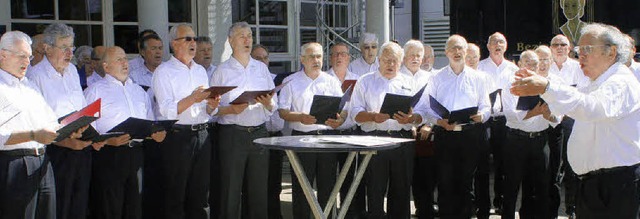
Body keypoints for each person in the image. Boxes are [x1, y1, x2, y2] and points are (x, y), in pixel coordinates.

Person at [511, 23, 640, 218]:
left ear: (611, 52)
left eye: (588, 49)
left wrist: (546, 87)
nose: (581, 55)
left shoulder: (620, 81)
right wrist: (542, 85)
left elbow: (590, 107)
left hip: (616, 185)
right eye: (580, 50)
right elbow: (575, 101)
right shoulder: (594, 82)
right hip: (595, 186)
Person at [84, 46, 167, 219]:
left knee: (134, 205)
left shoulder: (138, 90)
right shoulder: (95, 91)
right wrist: (106, 141)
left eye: (125, 59)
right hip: (109, 154)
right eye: (119, 60)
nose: (125, 63)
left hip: (136, 152)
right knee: (110, 207)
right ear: (106, 67)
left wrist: (156, 132)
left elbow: (149, 121)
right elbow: (85, 127)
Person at [27, 23, 96, 219]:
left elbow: (81, 107)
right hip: (57, 148)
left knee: (80, 203)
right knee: (60, 206)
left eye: (71, 47)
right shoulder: (35, 76)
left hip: (81, 144)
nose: (69, 52)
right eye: (64, 47)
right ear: (47, 48)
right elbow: (37, 118)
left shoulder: (73, 71)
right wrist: (65, 140)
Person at [417, 35, 490, 218]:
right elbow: (427, 107)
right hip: (445, 136)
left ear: (466, 51)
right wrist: (438, 121)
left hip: (470, 135)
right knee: (445, 182)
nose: (457, 52)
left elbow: (486, 105)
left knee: (466, 184)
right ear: (446, 52)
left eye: (460, 48)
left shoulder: (479, 78)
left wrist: (482, 115)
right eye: (453, 48)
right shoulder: (436, 77)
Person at [152, 24, 219, 219]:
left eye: (194, 39)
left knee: (200, 194)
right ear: (174, 44)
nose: (193, 43)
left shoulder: (200, 71)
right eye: (187, 39)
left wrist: (212, 104)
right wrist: (193, 98)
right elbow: (165, 110)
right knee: (176, 194)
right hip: (178, 137)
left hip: (203, 133)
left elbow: (204, 110)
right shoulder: (163, 72)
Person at [210, 22, 276, 219]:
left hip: (259, 133)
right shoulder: (222, 71)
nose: (247, 40)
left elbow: (275, 104)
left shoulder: (261, 69)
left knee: (258, 191)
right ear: (230, 41)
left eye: (249, 35)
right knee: (230, 191)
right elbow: (211, 109)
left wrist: (268, 104)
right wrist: (231, 109)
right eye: (242, 36)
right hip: (232, 135)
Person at [351, 41, 422, 218]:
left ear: (401, 62)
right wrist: (372, 116)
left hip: (402, 140)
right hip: (374, 139)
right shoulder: (365, 81)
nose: (391, 65)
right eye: (387, 60)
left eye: (395, 61)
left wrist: (411, 118)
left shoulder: (410, 82)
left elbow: (422, 114)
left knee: (402, 190)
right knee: (375, 189)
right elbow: (354, 113)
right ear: (379, 60)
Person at [0, 30, 64, 219]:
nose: (27, 62)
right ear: (3, 55)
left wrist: (72, 128)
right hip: (14, 163)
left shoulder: (30, 85)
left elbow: (49, 120)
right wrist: (33, 135)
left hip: (42, 160)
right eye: (21, 56)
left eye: (29, 56)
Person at [278, 42, 346, 219]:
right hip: (301, 138)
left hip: (327, 138)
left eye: (319, 56)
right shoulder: (290, 81)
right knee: (302, 187)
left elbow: (342, 109)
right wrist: (300, 117)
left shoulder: (331, 81)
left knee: (328, 186)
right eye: (312, 56)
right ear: (302, 59)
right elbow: (283, 111)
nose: (316, 60)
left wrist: (339, 120)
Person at [500, 50, 563, 219]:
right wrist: (534, 112)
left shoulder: (545, 84)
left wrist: (547, 115)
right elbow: (511, 116)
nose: (532, 67)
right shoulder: (511, 85)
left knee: (542, 187)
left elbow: (558, 115)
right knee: (511, 186)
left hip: (540, 140)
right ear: (520, 64)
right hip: (517, 140)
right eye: (528, 63)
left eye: (535, 64)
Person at [476, 32, 518, 213]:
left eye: (501, 42)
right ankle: (481, 204)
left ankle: (500, 201)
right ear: (488, 46)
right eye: (494, 42)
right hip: (485, 121)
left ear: (506, 46)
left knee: (504, 163)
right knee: (482, 164)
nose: (498, 45)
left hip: (505, 121)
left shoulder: (513, 69)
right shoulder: (480, 67)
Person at [548, 34, 587, 218]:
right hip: (551, 122)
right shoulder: (545, 67)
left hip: (571, 120)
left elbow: (582, 91)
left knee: (572, 166)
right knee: (554, 167)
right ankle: (553, 210)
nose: (559, 47)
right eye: (555, 44)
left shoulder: (578, 67)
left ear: (569, 48)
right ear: (550, 48)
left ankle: (571, 208)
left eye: (563, 44)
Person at [249, 43, 286, 219]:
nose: (263, 61)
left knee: (275, 183)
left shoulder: (275, 79)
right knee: (256, 184)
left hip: (276, 136)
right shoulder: (248, 80)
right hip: (258, 136)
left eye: (265, 58)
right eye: (258, 58)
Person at [466, 42, 493, 219]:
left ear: (479, 58)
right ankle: (468, 207)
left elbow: (490, 105)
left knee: (482, 172)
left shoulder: (484, 77)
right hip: (462, 129)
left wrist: (482, 115)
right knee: (465, 171)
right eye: (468, 56)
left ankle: (484, 209)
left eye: (474, 57)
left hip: (481, 127)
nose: (471, 60)